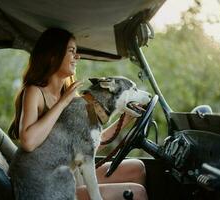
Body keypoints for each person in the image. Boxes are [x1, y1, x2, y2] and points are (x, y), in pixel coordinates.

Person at [8, 27, 148, 200]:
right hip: (50, 183)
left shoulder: (70, 95)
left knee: (137, 168)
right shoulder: (35, 92)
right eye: (72, 51)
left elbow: (89, 143)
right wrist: (63, 102)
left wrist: (126, 119)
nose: (78, 56)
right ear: (53, 56)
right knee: (138, 193)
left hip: (71, 173)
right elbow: (28, 142)